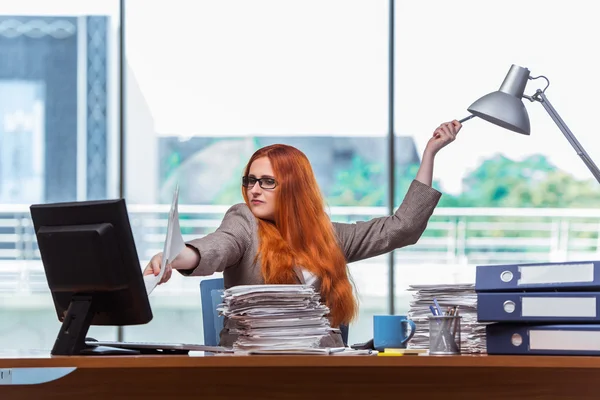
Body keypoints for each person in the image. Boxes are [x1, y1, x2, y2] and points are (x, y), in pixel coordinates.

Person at [144, 120, 461, 347]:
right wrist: (176, 256)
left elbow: (401, 228)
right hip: (255, 366)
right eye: (250, 180)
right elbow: (216, 247)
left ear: (293, 187)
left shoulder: (327, 236)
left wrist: (430, 154)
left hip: (321, 364)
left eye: (267, 181)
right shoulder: (243, 221)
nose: (254, 189)